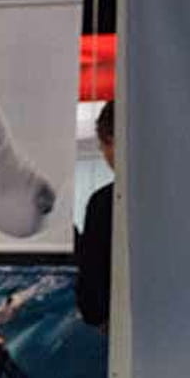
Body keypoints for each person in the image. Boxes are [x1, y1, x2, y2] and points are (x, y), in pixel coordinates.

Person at [74, 100, 115, 331]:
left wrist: (99, 317)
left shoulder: (104, 204)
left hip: (125, 327)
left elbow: (92, 277)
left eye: (103, 145)